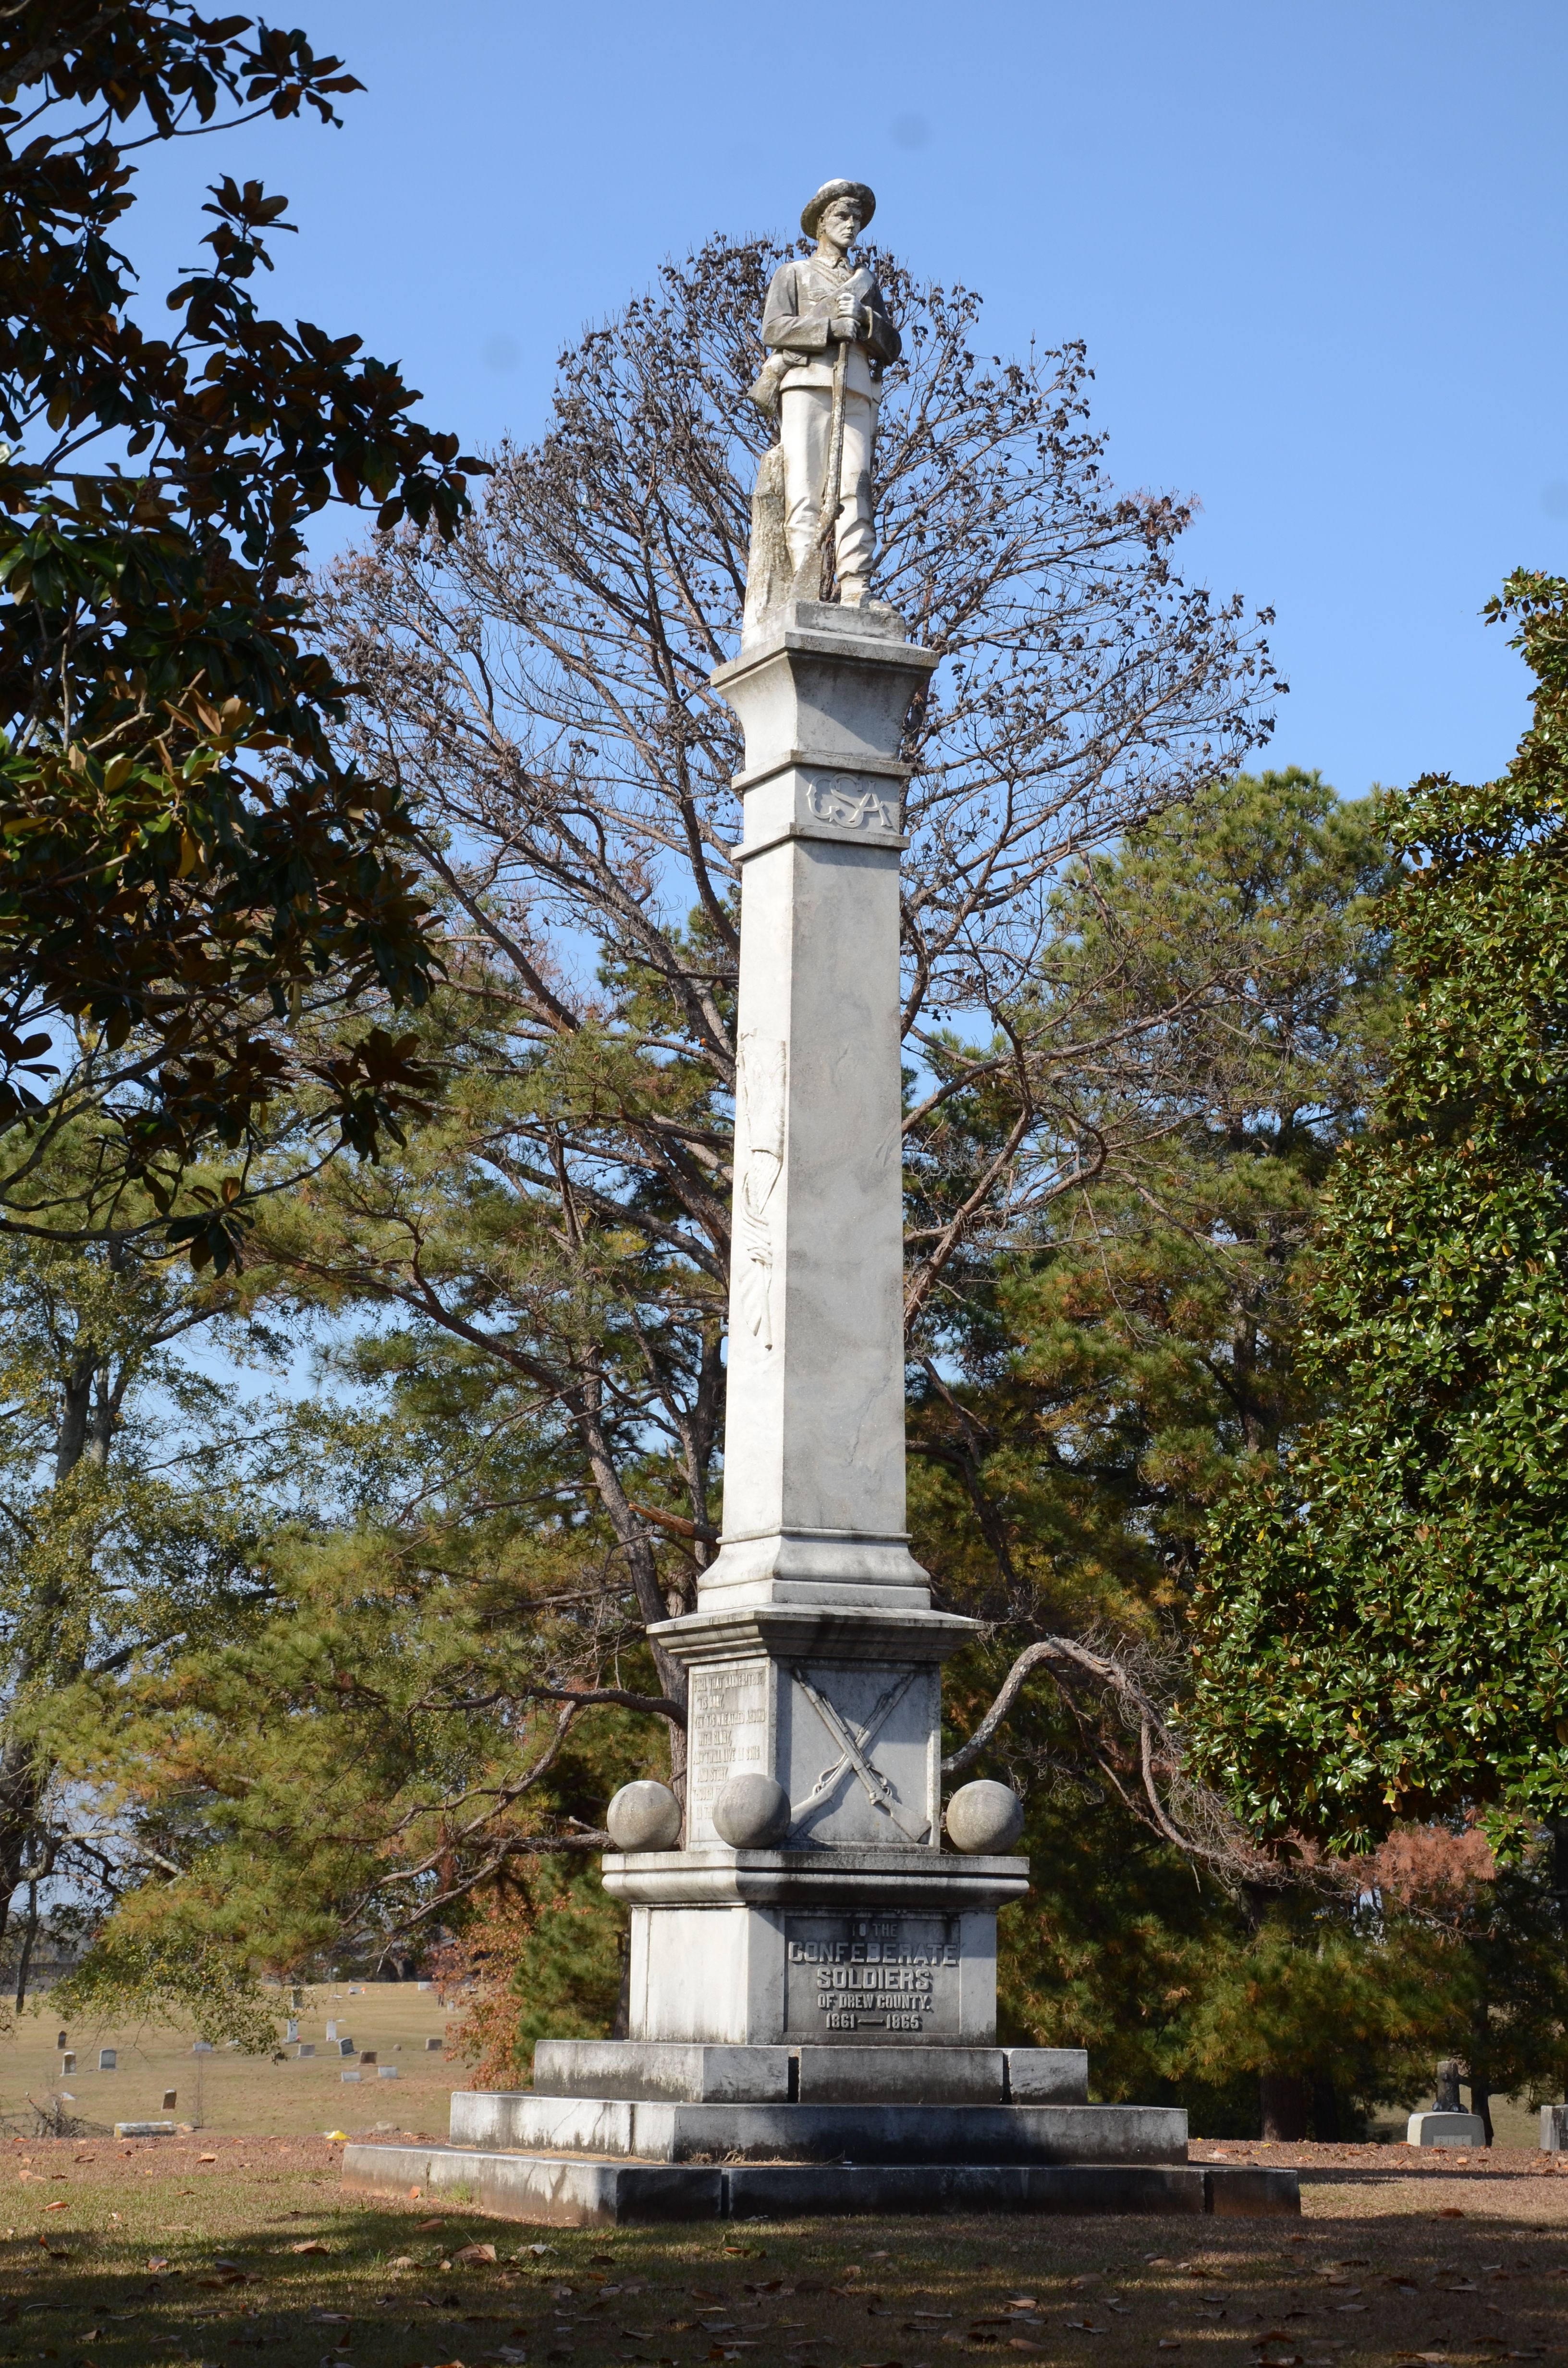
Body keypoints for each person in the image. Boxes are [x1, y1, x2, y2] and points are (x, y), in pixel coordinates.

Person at [759, 179, 901, 606]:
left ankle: (856, 585)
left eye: (857, 218)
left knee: (856, 490)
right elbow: (774, 328)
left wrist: (867, 323)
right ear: (821, 223)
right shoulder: (794, 273)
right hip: (806, 384)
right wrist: (828, 328)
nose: (852, 225)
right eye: (842, 216)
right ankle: (805, 582)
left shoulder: (865, 283)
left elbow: (892, 346)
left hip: (856, 390)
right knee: (804, 490)